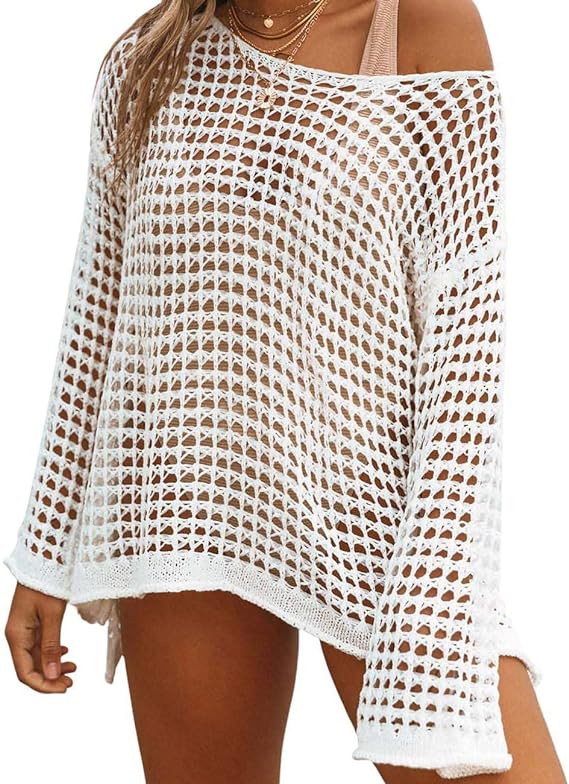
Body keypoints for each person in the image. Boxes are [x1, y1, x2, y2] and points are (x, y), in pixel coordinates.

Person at [4, 0, 566, 782]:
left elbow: (464, 345)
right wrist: (45, 552)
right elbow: (98, 308)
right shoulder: (147, 58)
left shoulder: (420, 27)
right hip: (183, 506)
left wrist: (437, 578)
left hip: (369, 518)